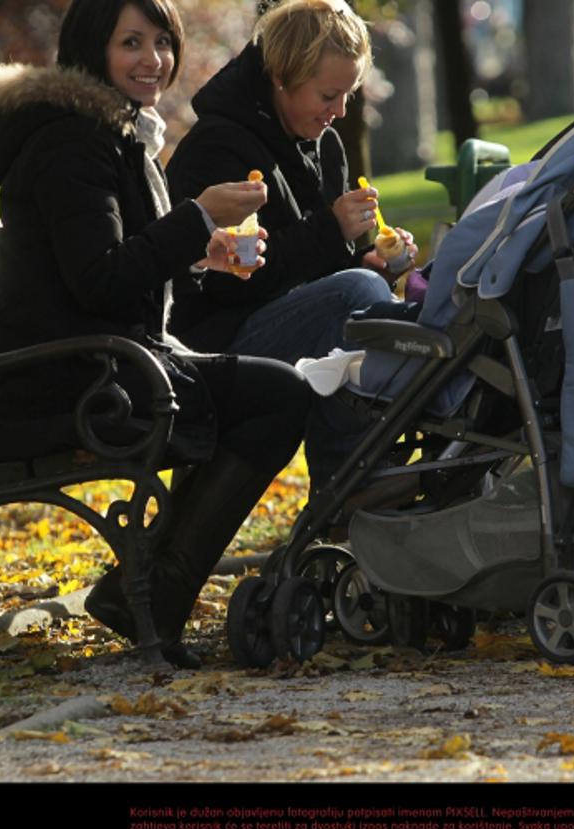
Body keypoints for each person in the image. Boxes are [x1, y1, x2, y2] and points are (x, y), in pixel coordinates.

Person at [0, 0, 313, 668]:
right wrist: (197, 216)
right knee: (277, 397)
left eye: (162, 42)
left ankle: (145, 587)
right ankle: (151, 590)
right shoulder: (71, 140)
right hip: (61, 389)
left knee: (275, 392)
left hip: (101, 369)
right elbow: (101, 281)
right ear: (94, 50)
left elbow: (111, 268)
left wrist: (200, 255)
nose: (153, 60)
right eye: (132, 43)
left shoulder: (111, 130)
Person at [165, 0, 417, 484]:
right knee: (357, 295)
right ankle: (351, 482)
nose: (339, 112)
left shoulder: (322, 143)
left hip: (265, 326)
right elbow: (232, 282)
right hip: (211, 343)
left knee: (368, 291)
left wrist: (373, 261)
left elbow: (319, 274)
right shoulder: (219, 147)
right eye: (328, 95)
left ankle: (362, 477)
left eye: (349, 95)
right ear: (281, 78)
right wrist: (331, 231)